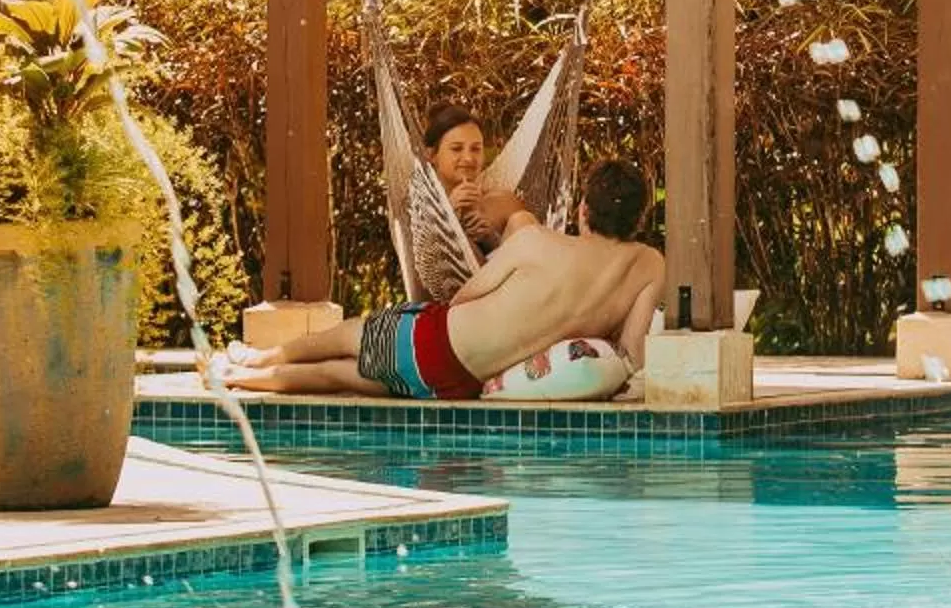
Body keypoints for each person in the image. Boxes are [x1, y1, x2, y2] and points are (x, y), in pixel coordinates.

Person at [228, 162, 663, 400]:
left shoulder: (536, 243)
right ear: (637, 219)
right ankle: (242, 374)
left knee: (342, 339)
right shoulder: (648, 264)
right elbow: (632, 351)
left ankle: (253, 361)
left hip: (427, 340)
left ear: (583, 210)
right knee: (333, 378)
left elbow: (464, 297)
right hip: (457, 384)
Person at [422, 104, 489, 192]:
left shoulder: (498, 201)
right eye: (456, 149)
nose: (468, 158)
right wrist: (448, 205)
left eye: (475, 149)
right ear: (431, 155)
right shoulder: (412, 203)